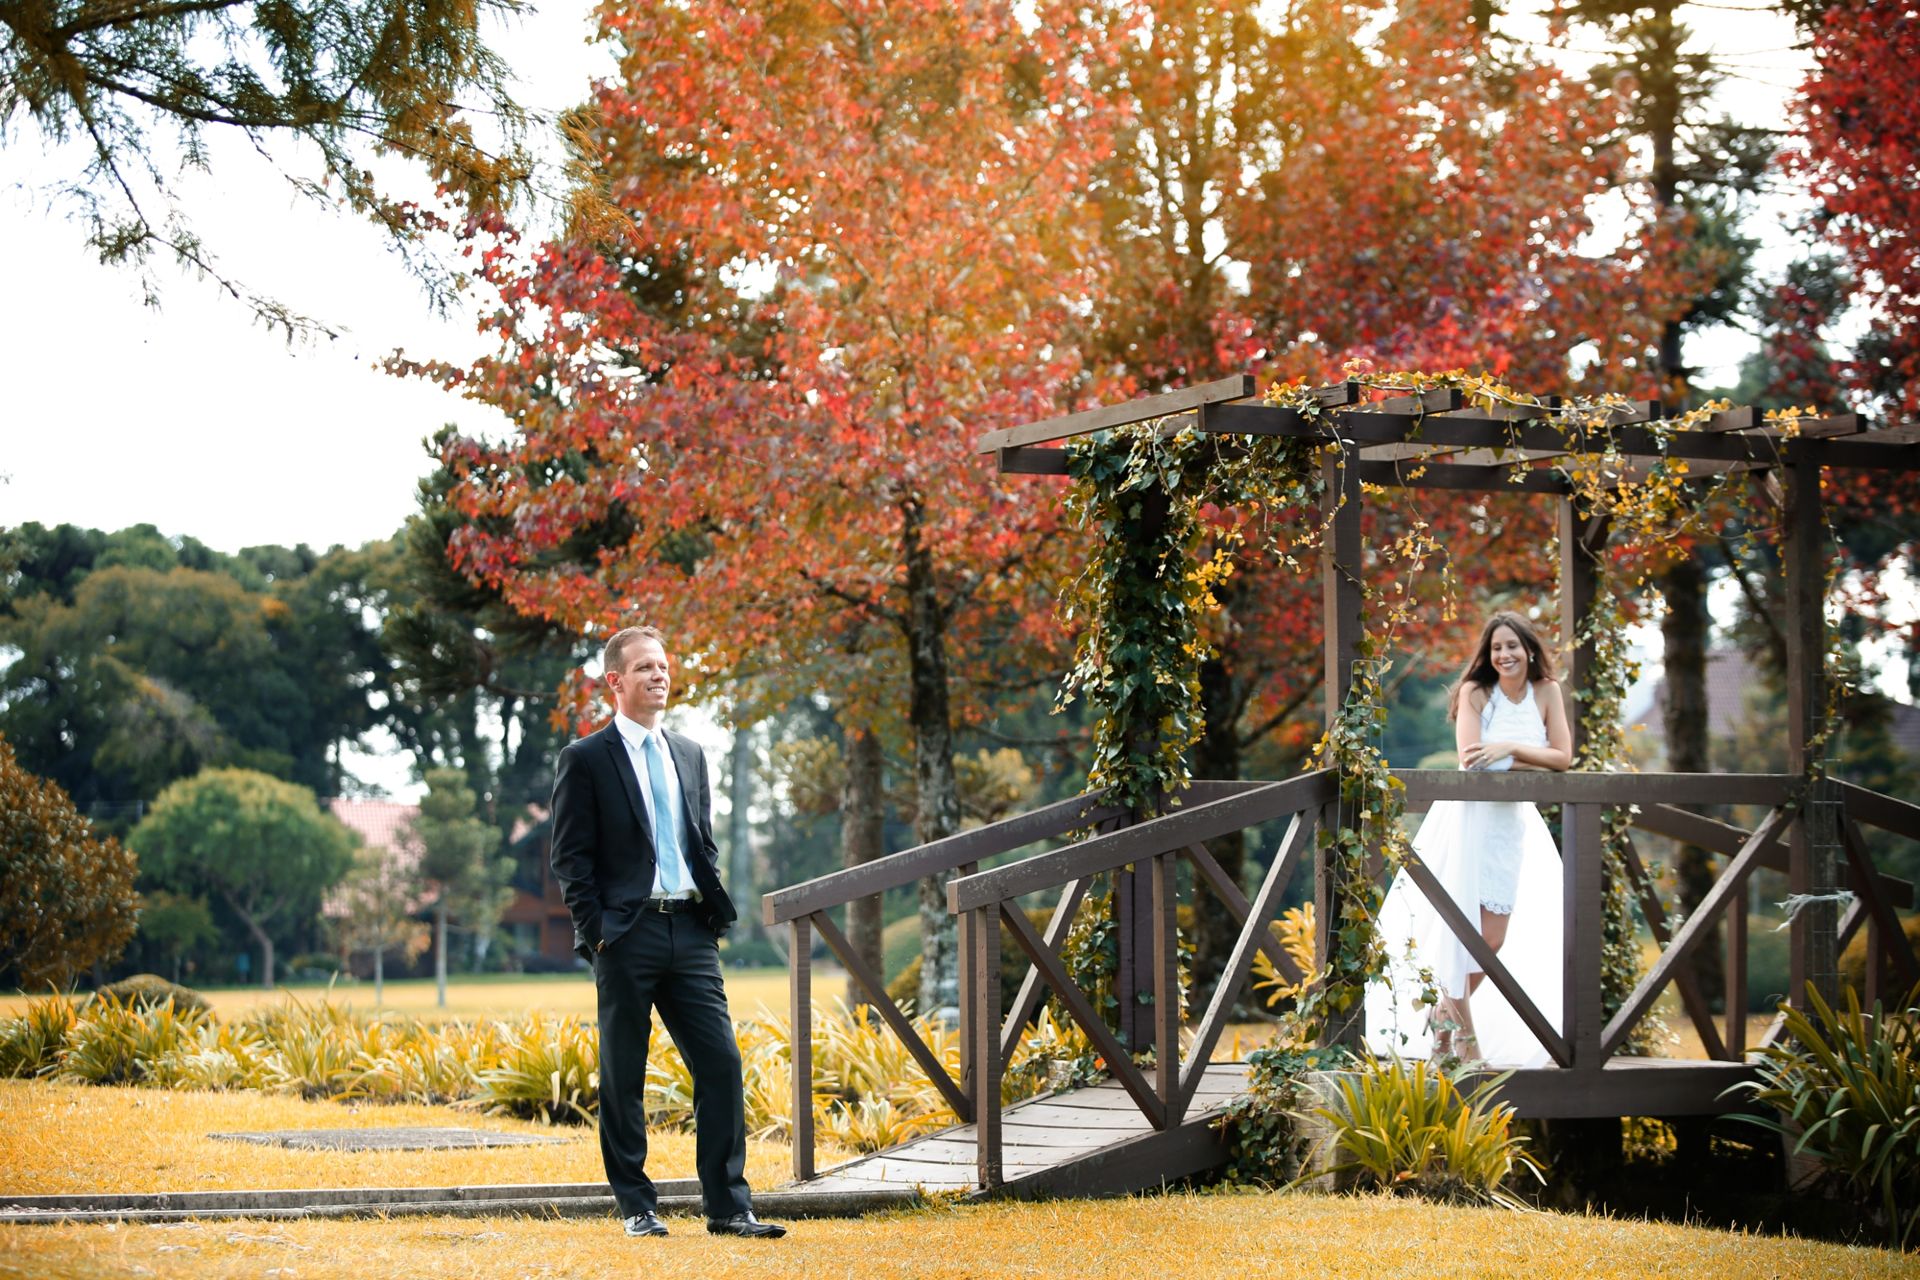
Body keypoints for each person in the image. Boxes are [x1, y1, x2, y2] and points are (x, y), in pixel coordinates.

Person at [549, 624, 787, 1240]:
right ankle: (637, 1207)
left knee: (721, 1064)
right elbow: (570, 859)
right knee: (624, 1073)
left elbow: (699, 840)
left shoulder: (689, 753)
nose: (660, 675)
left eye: (664, 666)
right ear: (615, 681)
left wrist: (710, 912)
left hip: (691, 930)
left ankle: (729, 1208)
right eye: (645, 667)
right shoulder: (585, 759)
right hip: (625, 937)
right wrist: (597, 932)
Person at [1363, 610, 1574, 1068]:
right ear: (1487, 654)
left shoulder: (1547, 693)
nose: (1504, 655)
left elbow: (1563, 757)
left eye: (1512, 646)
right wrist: (1521, 759)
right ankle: (1462, 1038)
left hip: (1511, 824)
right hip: (1467, 819)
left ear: (1530, 649)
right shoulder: (1476, 693)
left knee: (1492, 937)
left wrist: (1511, 749)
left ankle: (1443, 1015)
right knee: (1461, 932)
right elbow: (1471, 759)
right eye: (1496, 647)